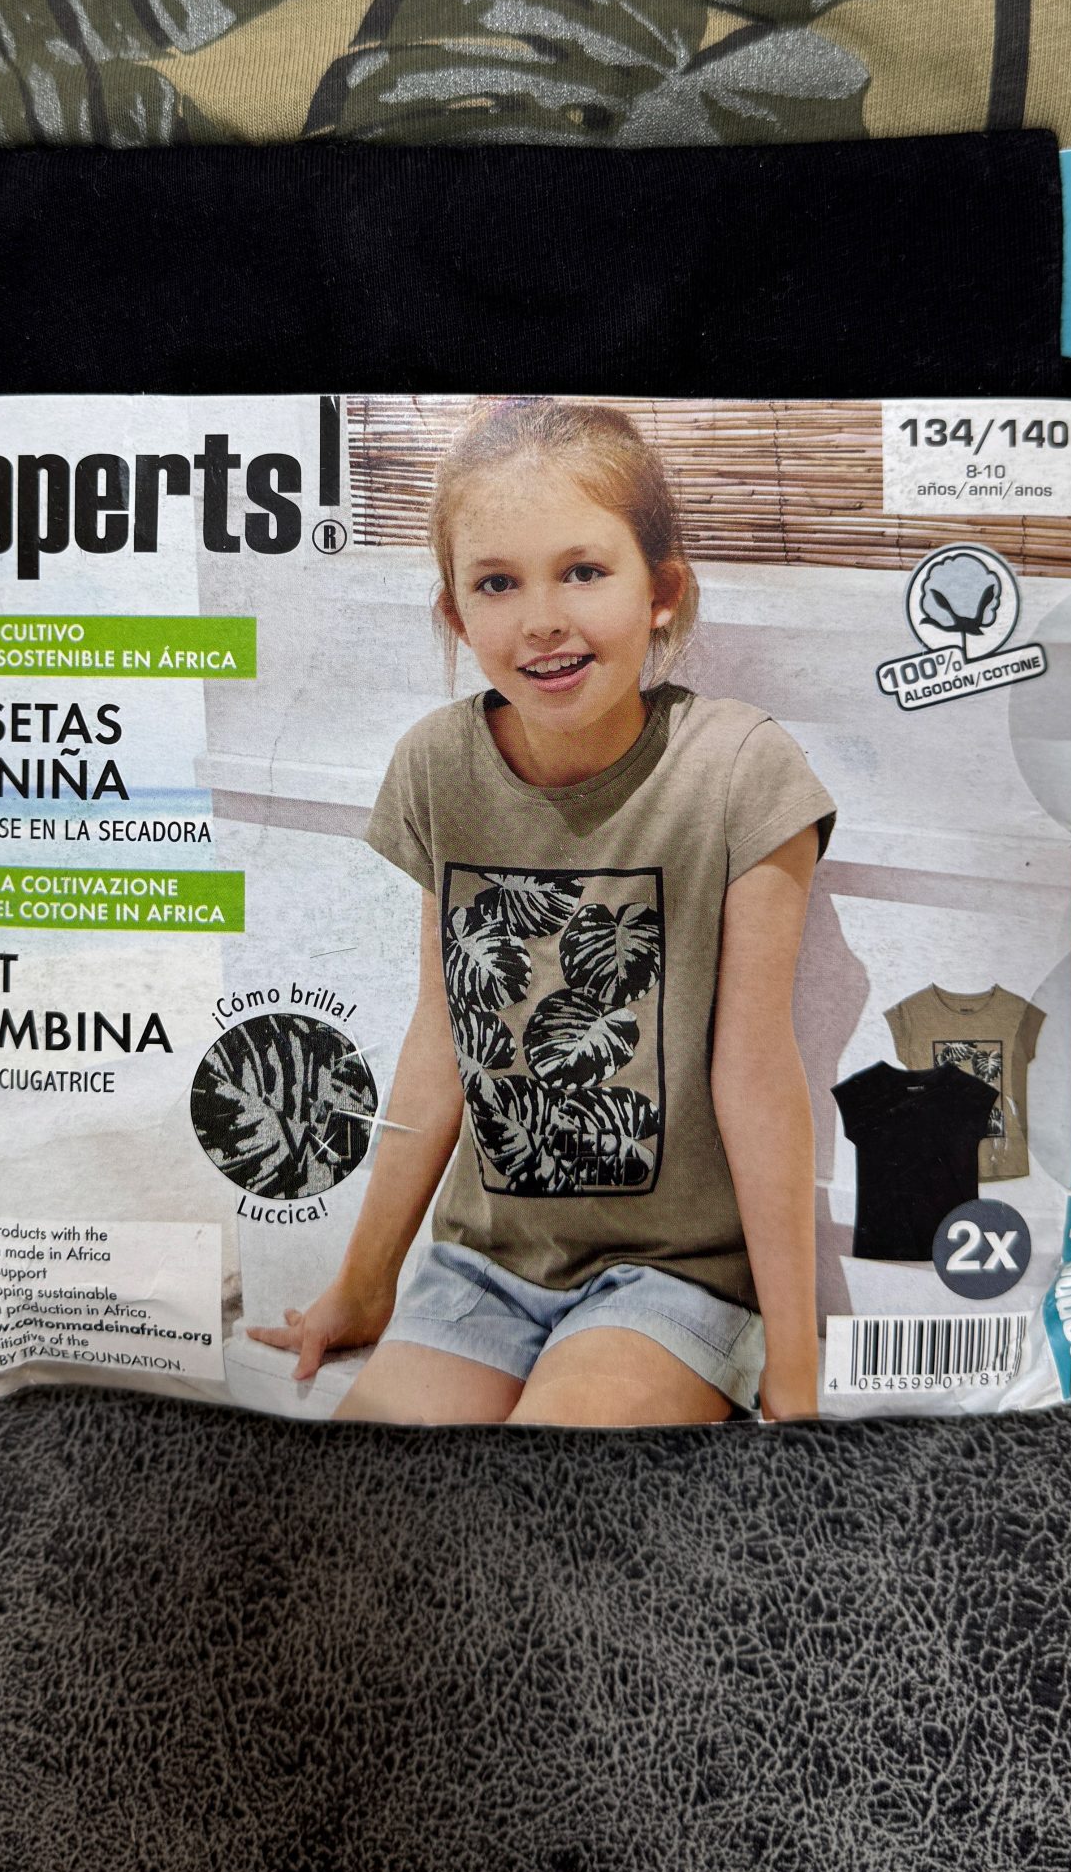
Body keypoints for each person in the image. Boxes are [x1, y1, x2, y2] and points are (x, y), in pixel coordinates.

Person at [249, 398, 835, 1425]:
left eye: (583, 571)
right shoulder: (437, 766)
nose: (542, 619)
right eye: (497, 583)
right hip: (482, 1267)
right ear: (456, 615)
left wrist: (796, 1358)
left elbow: (756, 1071)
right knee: (374, 1483)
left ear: (662, 591)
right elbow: (444, 1034)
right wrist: (364, 1281)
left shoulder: (741, 771)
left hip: (678, 1276)